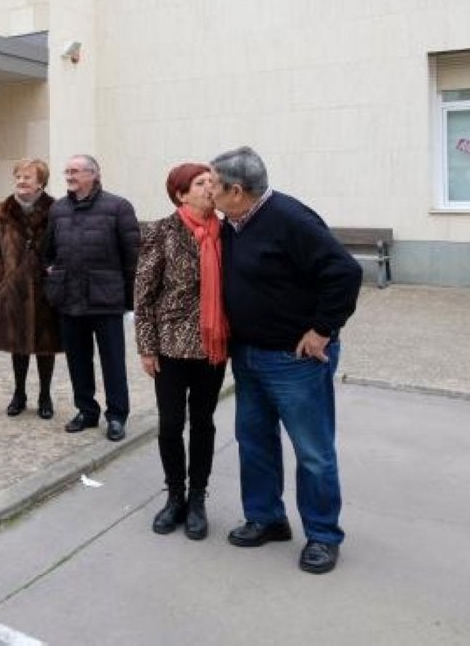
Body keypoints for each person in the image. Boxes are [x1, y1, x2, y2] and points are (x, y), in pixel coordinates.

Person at [211, 146, 361, 575]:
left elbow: (345, 272)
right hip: (249, 355)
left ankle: (322, 536)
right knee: (254, 441)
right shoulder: (233, 224)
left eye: (214, 183)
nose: (209, 190)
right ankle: (266, 518)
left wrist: (322, 330)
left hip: (293, 361)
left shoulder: (290, 219)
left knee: (312, 451)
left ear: (236, 190)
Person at [134, 163, 230, 540]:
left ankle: (197, 498)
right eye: (200, 183)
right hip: (171, 347)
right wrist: (146, 346)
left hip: (213, 346)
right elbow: (143, 296)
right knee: (172, 425)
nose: (210, 188)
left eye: (212, 181)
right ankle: (174, 496)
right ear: (181, 194)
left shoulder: (228, 231)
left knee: (203, 423)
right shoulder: (161, 231)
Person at [42, 154, 141, 442]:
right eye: (67, 171)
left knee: (113, 361)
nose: (69, 175)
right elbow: (47, 251)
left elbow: (133, 257)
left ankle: (117, 416)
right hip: (69, 299)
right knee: (78, 360)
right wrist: (51, 273)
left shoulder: (118, 207)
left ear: (93, 174)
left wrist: (130, 301)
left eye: (75, 171)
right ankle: (86, 411)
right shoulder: (58, 209)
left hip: (106, 299)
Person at [0, 158, 61, 420]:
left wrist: (56, 276)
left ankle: (45, 395)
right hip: (13, 290)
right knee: (17, 345)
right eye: (18, 177)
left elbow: (65, 247)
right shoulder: (3, 210)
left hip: (45, 291)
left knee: (46, 346)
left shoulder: (57, 210)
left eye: (27, 177)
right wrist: (0, 279)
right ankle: (19, 393)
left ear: (41, 182)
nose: (21, 182)